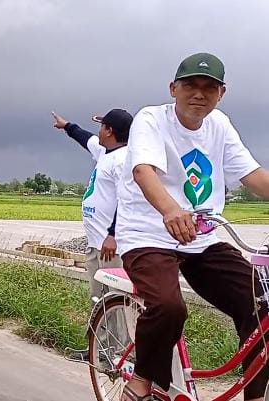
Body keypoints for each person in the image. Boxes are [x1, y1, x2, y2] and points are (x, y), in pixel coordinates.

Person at [117, 53, 269, 401]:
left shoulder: (220, 126)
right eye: (190, 85)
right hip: (148, 234)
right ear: (174, 88)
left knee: (260, 302)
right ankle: (141, 378)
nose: (199, 94)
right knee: (169, 306)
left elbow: (254, 177)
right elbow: (143, 171)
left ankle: (256, 395)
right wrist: (171, 210)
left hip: (201, 238)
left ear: (221, 93)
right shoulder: (152, 119)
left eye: (209, 88)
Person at [52, 109, 132, 301]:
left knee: (114, 299)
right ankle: (100, 332)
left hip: (111, 247)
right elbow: (85, 138)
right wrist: (67, 126)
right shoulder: (105, 151)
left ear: (109, 130)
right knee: (98, 300)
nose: (98, 131)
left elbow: (127, 200)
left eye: (101, 126)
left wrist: (113, 235)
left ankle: (118, 332)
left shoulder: (123, 160)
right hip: (96, 243)